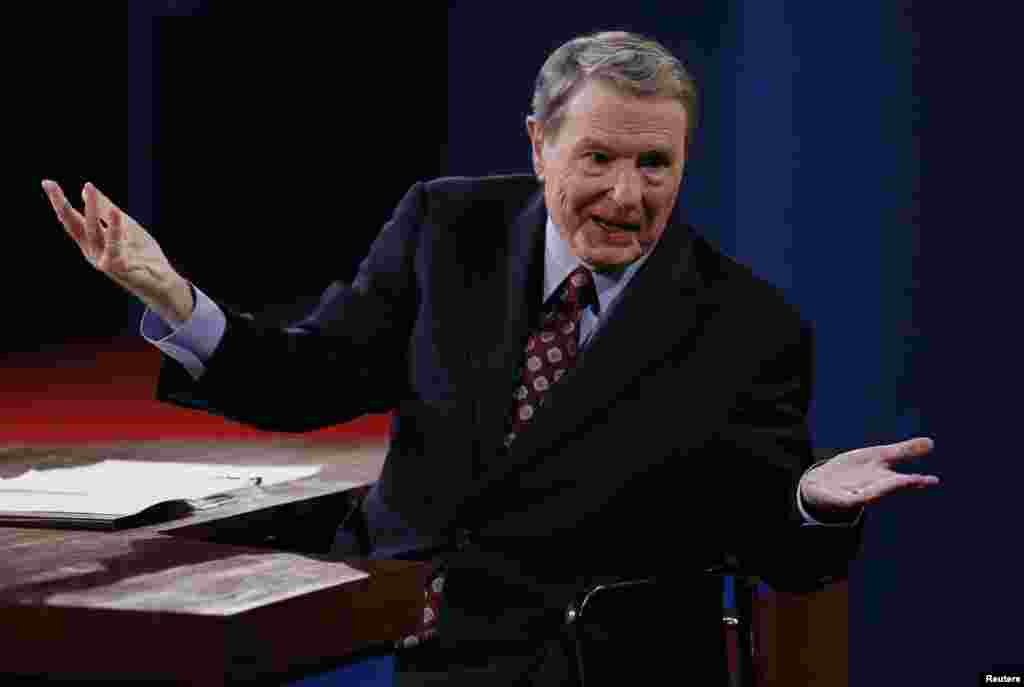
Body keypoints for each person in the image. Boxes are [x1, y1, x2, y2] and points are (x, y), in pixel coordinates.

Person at [42, 30, 938, 686]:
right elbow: (309, 377)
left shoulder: (747, 325)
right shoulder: (446, 228)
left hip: (572, 660)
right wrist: (172, 295)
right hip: (380, 632)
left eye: (657, 164)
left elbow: (773, 543)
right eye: (599, 157)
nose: (628, 195)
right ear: (538, 144)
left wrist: (809, 501)